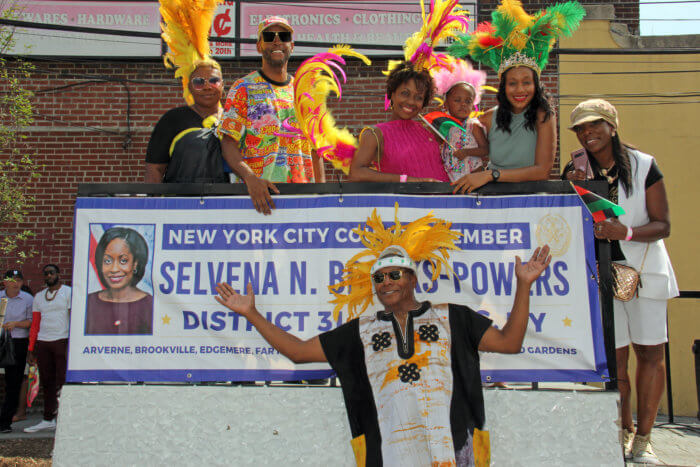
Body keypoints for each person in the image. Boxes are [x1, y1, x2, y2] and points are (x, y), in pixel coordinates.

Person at [215, 207, 552, 465]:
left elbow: (510, 343)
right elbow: (299, 352)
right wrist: (251, 314)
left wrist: (523, 285)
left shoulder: (454, 317)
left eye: (394, 274)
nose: (386, 282)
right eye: (379, 278)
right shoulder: (361, 331)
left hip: (453, 453)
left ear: (412, 278)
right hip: (387, 456)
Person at [563, 99, 678, 464]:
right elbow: (565, 222)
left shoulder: (644, 165)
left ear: (612, 126)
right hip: (601, 274)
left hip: (645, 270)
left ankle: (644, 438)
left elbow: (663, 225)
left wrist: (624, 231)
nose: (587, 133)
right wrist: (570, 190)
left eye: (594, 125)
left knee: (650, 352)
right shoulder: (576, 167)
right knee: (615, 361)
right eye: (581, 128)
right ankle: (620, 431)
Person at [448, 0, 585, 193]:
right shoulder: (486, 118)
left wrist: (491, 174)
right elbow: (460, 142)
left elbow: (542, 171)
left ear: (536, 85)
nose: (520, 90)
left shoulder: (544, 115)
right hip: (492, 199)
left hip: (528, 203)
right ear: (503, 87)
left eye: (526, 82)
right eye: (512, 83)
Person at [218, 16, 324, 215]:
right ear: (259, 46)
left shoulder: (306, 92)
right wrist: (250, 178)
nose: (277, 41)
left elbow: (315, 149)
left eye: (283, 36)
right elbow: (228, 142)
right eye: (269, 36)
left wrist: (322, 195)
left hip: (303, 201)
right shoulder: (243, 88)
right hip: (258, 201)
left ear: (291, 45)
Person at [144, 0, 226, 183]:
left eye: (213, 80)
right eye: (199, 82)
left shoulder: (234, 118)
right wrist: (155, 207)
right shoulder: (173, 120)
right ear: (189, 86)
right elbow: (155, 170)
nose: (206, 86)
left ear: (222, 85)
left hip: (227, 207)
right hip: (182, 207)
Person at [348, 62, 449, 183]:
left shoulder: (430, 131)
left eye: (418, 97)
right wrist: (407, 180)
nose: (411, 102)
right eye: (405, 93)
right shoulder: (375, 134)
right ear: (392, 94)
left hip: (445, 200)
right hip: (403, 202)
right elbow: (356, 173)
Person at [23, 264, 71, 433]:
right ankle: (48, 418)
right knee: (47, 381)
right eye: (46, 274)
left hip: (62, 340)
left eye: (51, 273)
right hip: (43, 342)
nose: (48, 276)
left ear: (58, 274)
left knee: (63, 380)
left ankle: (64, 419)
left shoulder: (68, 292)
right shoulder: (39, 297)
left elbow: (73, 317)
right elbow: (35, 324)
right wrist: (31, 348)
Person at [85, 227, 153, 335]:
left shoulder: (150, 305)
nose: (114, 269)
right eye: (107, 261)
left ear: (135, 263)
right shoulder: (88, 303)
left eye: (123, 260)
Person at [432, 59, 489, 182]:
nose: (463, 104)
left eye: (468, 101)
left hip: (473, 173)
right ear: (446, 104)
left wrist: (466, 152)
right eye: (457, 100)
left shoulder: (472, 125)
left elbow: (485, 150)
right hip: (451, 173)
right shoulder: (444, 124)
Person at [0, 269, 33, 433]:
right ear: (4, 282)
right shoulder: (0, 297)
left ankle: (5, 422)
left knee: (13, 382)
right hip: (1, 340)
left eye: (18, 280)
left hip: (18, 342)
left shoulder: (28, 299)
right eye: (11, 280)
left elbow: (31, 322)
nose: (15, 283)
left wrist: (15, 324)